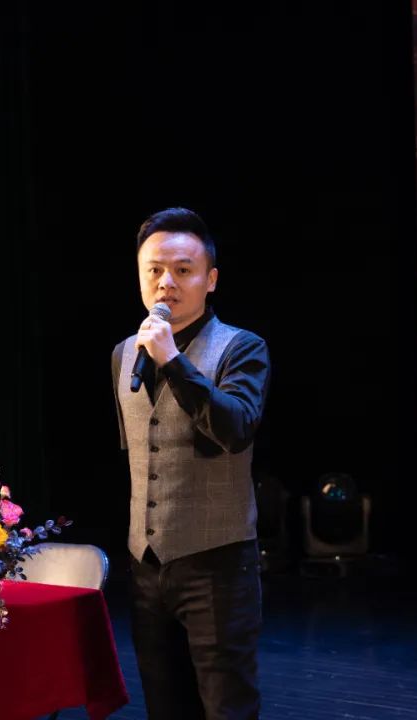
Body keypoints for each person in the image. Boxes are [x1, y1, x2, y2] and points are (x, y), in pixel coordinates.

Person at [111, 207, 270, 719]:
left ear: (211, 279)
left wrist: (174, 363)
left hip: (217, 565)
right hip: (146, 567)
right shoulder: (123, 354)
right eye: (155, 270)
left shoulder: (241, 348)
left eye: (183, 270)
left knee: (227, 707)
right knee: (165, 707)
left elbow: (235, 429)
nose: (167, 283)